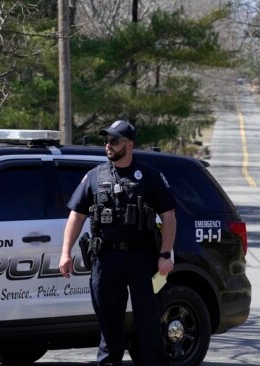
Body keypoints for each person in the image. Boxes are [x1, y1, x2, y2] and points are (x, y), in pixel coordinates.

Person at [59, 120, 176, 366]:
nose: (108, 145)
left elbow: (168, 216)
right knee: (109, 325)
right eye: (106, 141)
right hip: (106, 259)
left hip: (143, 259)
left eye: (114, 141)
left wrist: (165, 254)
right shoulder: (94, 176)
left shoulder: (150, 176)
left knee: (149, 324)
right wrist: (65, 253)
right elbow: (76, 216)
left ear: (130, 145)